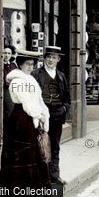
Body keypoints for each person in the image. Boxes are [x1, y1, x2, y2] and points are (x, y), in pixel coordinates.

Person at [0, 51, 51, 191]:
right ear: (20, 65)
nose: (30, 67)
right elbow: (26, 102)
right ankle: (18, 188)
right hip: (21, 119)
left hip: (30, 118)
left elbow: (38, 100)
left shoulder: (30, 79)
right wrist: (39, 115)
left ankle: (32, 186)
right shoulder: (17, 81)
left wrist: (43, 114)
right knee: (21, 153)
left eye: (32, 65)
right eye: (27, 64)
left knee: (31, 152)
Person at [31, 46, 70, 186]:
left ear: (58, 59)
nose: (51, 60)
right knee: (41, 145)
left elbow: (66, 95)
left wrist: (64, 108)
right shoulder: (36, 74)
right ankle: (41, 177)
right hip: (42, 114)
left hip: (57, 114)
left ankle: (54, 175)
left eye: (54, 57)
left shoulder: (61, 75)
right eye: (48, 57)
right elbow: (32, 96)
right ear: (44, 58)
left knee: (55, 145)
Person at [2, 46, 18, 122]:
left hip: (12, 91)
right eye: (5, 53)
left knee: (11, 111)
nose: (7, 55)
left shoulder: (13, 66)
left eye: (9, 53)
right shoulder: (0, 65)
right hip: (3, 90)